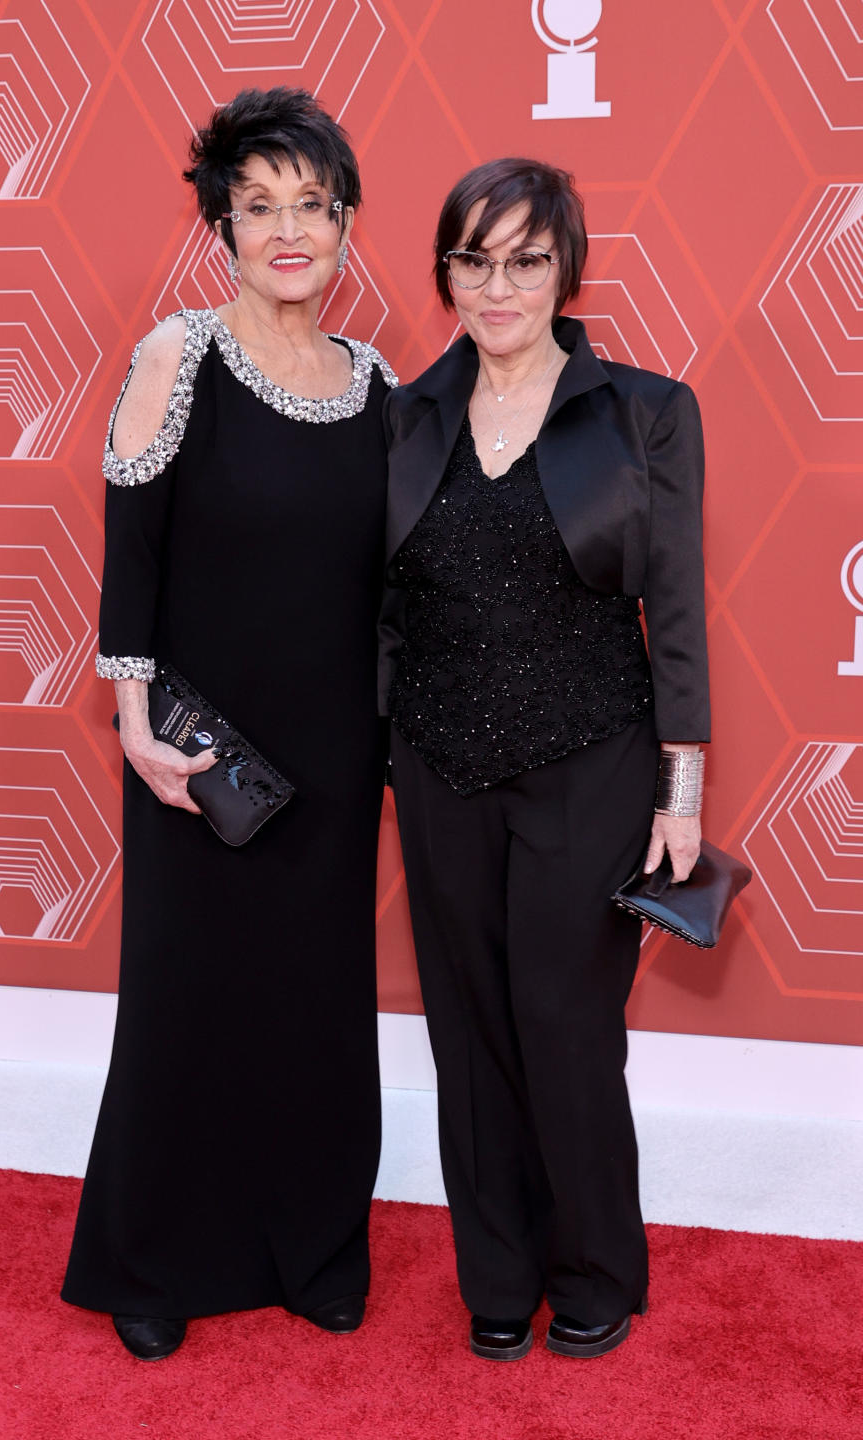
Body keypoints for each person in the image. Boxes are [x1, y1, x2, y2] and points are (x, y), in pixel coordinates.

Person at [61, 87, 396, 1360]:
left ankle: (313, 1246)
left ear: (349, 224)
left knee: (316, 1006)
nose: (288, 229)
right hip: (197, 763)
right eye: (258, 207)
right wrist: (138, 726)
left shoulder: (379, 387)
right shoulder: (178, 354)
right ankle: (155, 1261)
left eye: (312, 204)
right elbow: (131, 549)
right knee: (185, 1003)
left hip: (334, 758)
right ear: (222, 230)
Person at [379, 158, 709, 1361]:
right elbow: (379, 605)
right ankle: (499, 1279)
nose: (498, 285)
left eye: (525, 259)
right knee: (467, 1031)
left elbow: (672, 609)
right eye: (474, 259)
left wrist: (682, 787)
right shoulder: (407, 414)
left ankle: (595, 1268)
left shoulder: (646, 411)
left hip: (593, 757)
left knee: (566, 1023)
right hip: (439, 761)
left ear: (565, 269)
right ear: (446, 274)